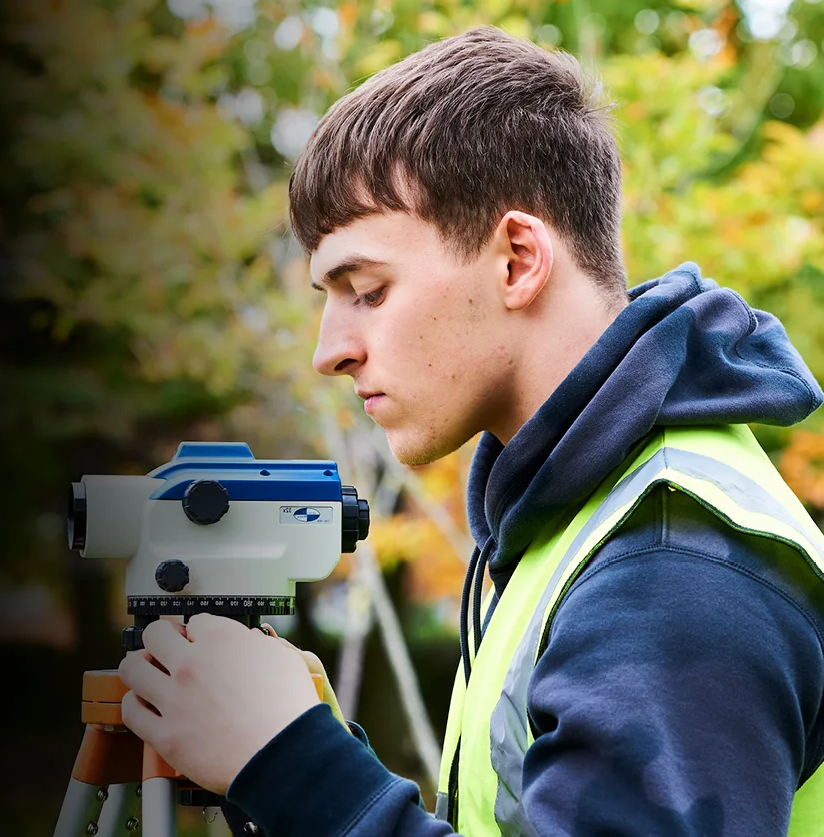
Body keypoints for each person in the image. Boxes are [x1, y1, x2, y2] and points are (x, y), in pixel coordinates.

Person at [115, 24, 824, 837]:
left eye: (367, 289)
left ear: (518, 259)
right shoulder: (570, 515)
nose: (327, 351)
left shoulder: (666, 565)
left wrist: (293, 765)